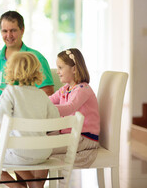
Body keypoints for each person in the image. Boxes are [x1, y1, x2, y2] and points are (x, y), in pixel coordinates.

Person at [0, 10, 55, 188]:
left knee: (7, 147)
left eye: (13, 30)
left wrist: (17, 103)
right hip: (3, 123)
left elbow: (48, 92)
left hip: (23, 123)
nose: (8, 35)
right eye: (4, 31)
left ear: (22, 30)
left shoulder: (34, 58)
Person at [0, 52, 60, 188]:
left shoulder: (10, 91)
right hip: (43, 152)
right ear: (36, 72)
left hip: (20, 153)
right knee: (16, 155)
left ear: (10, 71)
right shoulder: (41, 94)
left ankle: (18, 187)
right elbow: (55, 119)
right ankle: (34, 185)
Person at [32, 48, 100, 187]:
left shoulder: (83, 89)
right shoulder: (65, 89)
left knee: (41, 149)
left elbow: (69, 107)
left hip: (85, 138)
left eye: (60, 67)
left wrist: (45, 109)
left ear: (74, 69)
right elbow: (49, 100)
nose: (57, 71)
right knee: (36, 144)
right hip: (71, 134)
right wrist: (32, 102)